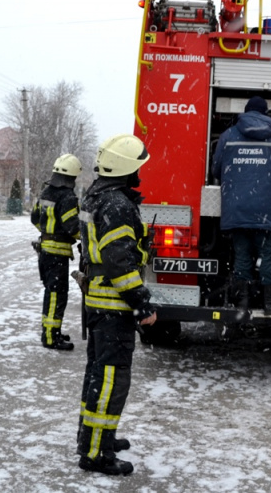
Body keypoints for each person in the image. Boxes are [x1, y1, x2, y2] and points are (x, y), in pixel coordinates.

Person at [76, 134, 157, 476]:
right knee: (111, 379)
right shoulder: (117, 205)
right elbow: (119, 263)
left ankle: (94, 439)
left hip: (98, 301)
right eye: (137, 167)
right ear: (126, 169)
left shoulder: (95, 195)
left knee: (98, 374)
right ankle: (97, 453)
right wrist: (142, 304)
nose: (140, 172)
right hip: (113, 306)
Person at [212, 96, 271, 315]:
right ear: (265, 113)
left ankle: (242, 303)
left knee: (241, 255)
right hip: (265, 208)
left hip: (237, 207)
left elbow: (216, 169)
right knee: (267, 254)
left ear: (246, 111)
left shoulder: (228, 135)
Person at [31, 153, 82, 350]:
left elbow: (35, 218)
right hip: (57, 254)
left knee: (51, 293)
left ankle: (51, 331)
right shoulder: (68, 197)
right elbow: (72, 227)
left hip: (44, 252)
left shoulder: (46, 193)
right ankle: (51, 337)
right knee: (56, 295)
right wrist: (86, 237)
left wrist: (47, 232)